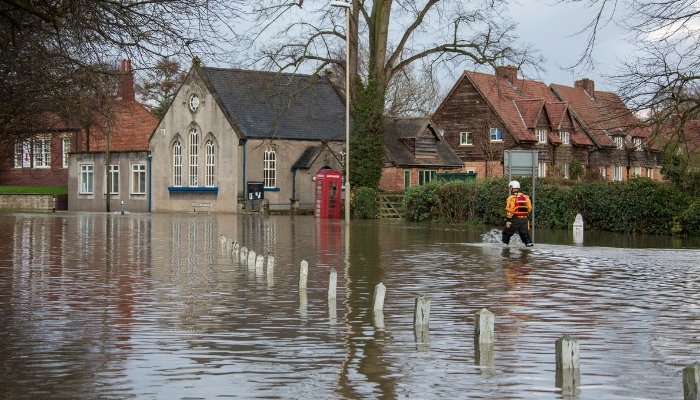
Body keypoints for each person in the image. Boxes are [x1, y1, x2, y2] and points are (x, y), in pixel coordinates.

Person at [501, 180, 534, 247]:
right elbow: (530, 209)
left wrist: (508, 221)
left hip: (515, 219)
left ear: (511, 188)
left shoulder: (511, 198)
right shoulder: (526, 197)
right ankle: (529, 252)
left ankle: (505, 251)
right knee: (525, 236)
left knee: (506, 234)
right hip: (524, 220)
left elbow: (510, 210)